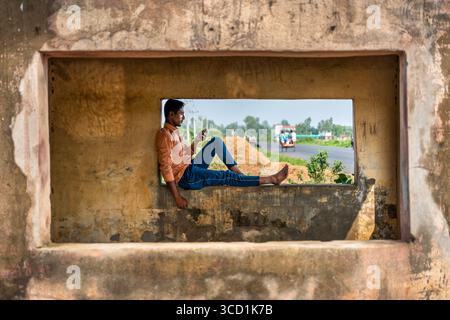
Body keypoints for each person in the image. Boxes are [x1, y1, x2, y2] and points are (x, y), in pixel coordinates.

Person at [155, 99, 289, 209]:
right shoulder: (164, 135)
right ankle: (272, 179)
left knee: (216, 142)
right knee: (225, 177)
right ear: (171, 115)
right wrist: (177, 197)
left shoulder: (175, 132)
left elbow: (185, 157)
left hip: (189, 166)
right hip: (186, 177)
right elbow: (166, 168)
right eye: (181, 114)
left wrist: (197, 141)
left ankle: (240, 175)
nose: (183, 117)